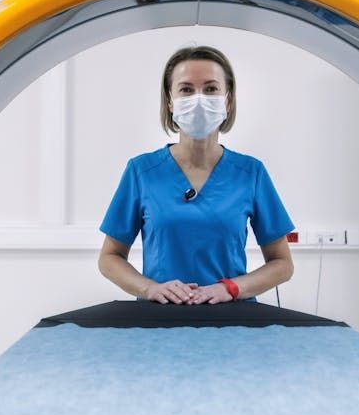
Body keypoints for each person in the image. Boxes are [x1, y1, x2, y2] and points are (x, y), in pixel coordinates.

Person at [97, 45, 295, 304]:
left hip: (233, 319)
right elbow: (109, 258)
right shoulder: (142, 172)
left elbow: (282, 264)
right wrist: (149, 289)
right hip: (161, 319)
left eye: (211, 89)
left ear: (228, 99)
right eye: (187, 89)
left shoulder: (250, 173)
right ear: (170, 100)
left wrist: (231, 288)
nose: (199, 98)